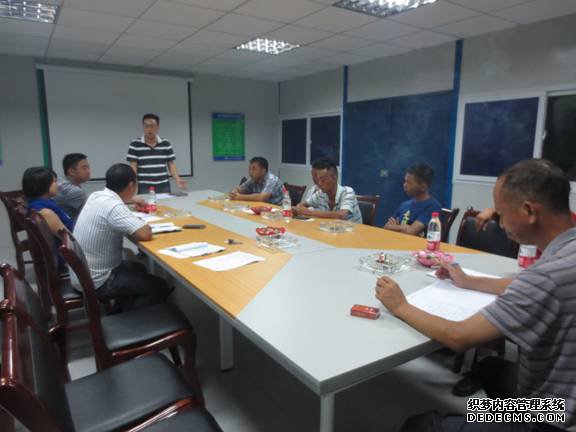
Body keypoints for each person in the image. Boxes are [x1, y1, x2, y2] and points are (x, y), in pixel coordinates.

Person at [375, 159, 576, 432]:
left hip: (552, 414)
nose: (500, 223)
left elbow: (458, 337)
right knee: (490, 369)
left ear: (529, 211)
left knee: (422, 424)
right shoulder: (564, 255)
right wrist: (468, 280)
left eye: (501, 214)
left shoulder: (545, 278)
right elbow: (528, 285)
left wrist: (400, 305)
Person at [73, 163, 172, 313]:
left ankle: (123, 307)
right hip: (98, 281)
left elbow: (116, 206)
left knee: (139, 268)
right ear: (131, 185)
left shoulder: (96, 196)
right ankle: (126, 319)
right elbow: (145, 234)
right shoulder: (113, 206)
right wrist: (138, 219)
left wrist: (131, 200)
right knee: (159, 286)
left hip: (81, 274)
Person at [127, 113, 187, 194]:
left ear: (158, 127)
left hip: (163, 186)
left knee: (166, 202)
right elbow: (133, 166)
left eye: (152, 126)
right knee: (145, 203)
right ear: (143, 127)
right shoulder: (135, 144)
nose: (149, 129)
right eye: (146, 126)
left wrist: (177, 179)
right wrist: (133, 184)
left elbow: (171, 164)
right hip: (144, 186)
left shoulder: (165, 143)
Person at [294, 158, 362, 223]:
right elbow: (301, 205)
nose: (319, 183)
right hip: (332, 229)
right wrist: (298, 209)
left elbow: (341, 215)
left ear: (334, 178)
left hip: (355, 230)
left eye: (323, 180)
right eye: (318, 179)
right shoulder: (320, 194)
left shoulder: (347, 192)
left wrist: (309, 212)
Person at [384, 163, 441, 236]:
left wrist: (396, 227)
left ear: (423, 187)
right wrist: (402, 227)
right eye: (405, 181)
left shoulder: (433, 207)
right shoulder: (405, 204)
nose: (404, 185)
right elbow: (386, 227)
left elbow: (410, 232)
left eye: (409, 183)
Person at [22, 166, 74, 235]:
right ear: (43, 185)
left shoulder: (40, 203)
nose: (58, 185)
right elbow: (68, 238)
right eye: (55, 181)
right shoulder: (45, 213)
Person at [54, 153, 91, 221]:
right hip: (69, 226)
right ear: (71, 171)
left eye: (88, 167)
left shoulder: (60, 181)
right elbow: (93, 212)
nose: (88, 171)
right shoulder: (75, 191)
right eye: (84, 168)